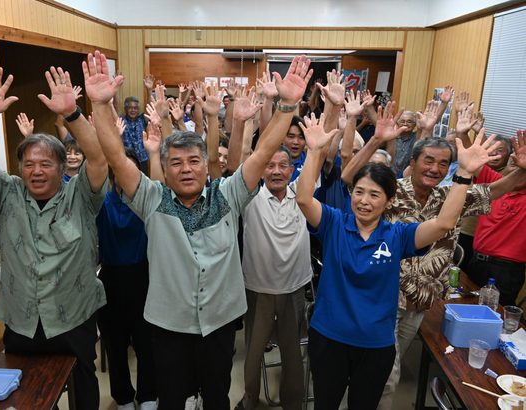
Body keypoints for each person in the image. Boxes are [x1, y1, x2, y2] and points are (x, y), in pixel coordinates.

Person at [87, 50, 312, 409]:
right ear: (164, 167)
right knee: (173, 399)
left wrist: (286, 106)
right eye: (175, 163)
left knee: (217, 397)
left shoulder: (229, 194)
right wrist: (100, 105)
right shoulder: (152, 198)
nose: (186, 169)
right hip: (168, 324)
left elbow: (264, 150)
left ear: (207, 167)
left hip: (220, 322)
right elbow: (116, 158)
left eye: (194, 161)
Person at [296, 105, 500, 410]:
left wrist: (464, 174)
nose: (364, 201)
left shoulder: (398, 235)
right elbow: (302, 198)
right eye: (359, 193)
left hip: (376, 345)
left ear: (389, 200)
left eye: (374, 195)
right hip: (329, 339)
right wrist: (314, 151)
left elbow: (443, 223)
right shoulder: (334, 223)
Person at [0, 65, 108, 410]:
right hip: (22, 319)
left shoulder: (81, 197)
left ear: (61, 167)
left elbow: (99, 157)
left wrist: (72, 113)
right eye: (28, 164)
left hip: (74, 316)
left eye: (45, 164)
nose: (36, 171)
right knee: (25, 390)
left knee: (82, 384)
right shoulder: (9, 195)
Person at [236, 145, 314, 410]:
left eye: (283, 166)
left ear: (292, 171)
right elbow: (239, 158)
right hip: (258, 291)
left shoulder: (303, 198)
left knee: (293, 355)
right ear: (261, 170)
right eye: (270, 165)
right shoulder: (250, 198)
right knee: (253, 353)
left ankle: (292, 404)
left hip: (294, 291)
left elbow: (320, 156)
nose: (277, 171)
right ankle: (249, 400)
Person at [96, 150, 157, 410]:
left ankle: (148, 396)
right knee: (115, 344)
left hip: (144, 278)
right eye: (120, 169)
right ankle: (123, 398)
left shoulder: (146, 202)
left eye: (131, 169)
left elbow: (159, 184)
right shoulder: (102, 202)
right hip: (110, 279)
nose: (125, 175)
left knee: (146, 344)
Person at [466, 131, 526, 305]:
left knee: (494, 318)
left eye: (521, 169)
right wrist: (463, 132)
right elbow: (472, 163)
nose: (516, 169)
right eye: (512, 165)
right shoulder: (495, 183)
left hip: (506, 271)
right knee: (466, 306)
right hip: (477, 261)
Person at [121, 96, 149, 174]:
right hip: (128, 159)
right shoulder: (121, 120)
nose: (133, 110)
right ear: (125, 109)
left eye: (135, 108)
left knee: (143, 182)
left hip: (142, 158)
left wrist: (149, 90)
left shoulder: (142, 119)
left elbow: (149, 109)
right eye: (130, 108)